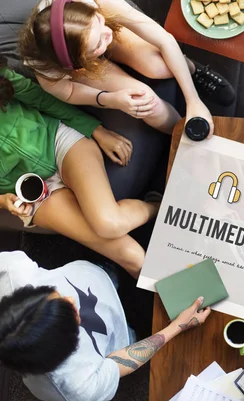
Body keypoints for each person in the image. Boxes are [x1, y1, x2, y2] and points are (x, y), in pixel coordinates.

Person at [0, 56, 155, 278]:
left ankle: (158, 206)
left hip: (57, 142)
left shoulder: (3, 78)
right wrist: (4, 202)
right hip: (29, 193)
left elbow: (45, 101)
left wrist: (97, 131)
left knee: (110, 223)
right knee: (134, 258)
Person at [0, 251, 212, 401]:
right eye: (71, 313)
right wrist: (177, 326)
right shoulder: (77, 387)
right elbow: (118, 364)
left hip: (99, 267)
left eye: (56, 294)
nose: (72, 300)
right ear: (67, 345)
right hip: (127, 321)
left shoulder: (10, 274)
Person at [20, 0, 236, 137]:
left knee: (159, 65)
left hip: (85, 38)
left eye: (99, 22)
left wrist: (193, 100)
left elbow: (164, 40)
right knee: (144, 100)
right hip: (79, 59)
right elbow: (69, 92)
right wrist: (111, 99)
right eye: (99, 44)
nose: (108, 34)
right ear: (77, 64)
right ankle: (184, 134)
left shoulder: (92, 5)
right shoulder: (46, 67)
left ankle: (193, 70)